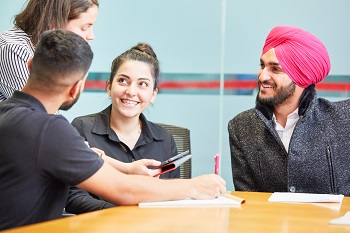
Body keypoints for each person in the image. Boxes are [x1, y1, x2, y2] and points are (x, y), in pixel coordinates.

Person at [0, 29, 226, 230]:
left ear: (30, 65)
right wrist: (194, 186)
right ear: (76, 88)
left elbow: (89, 154)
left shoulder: (8, 113)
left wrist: (126, 168)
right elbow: (123, 191)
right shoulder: (51, 129)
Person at [228, 25, 350, 195]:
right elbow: (248, 201)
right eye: (262, 65)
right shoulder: (241, 127)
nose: (262, 76)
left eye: (275, 69)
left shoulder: (343, 119)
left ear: (302, 76)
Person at [65, 43, 181, 214]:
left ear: (153, 94)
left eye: (142, 84)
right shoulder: (83, 128)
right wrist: (124, 212)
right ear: (109, 86)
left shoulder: (165, 139)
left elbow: (174, 197)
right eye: (123, 81)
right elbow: (73, 198)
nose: (131, 91)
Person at [0, 0, 99, 102]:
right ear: (54, 22)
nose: (91, 36)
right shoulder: (14, 49)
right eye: (84, 28)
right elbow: (38, 110)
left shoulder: (46, 52)